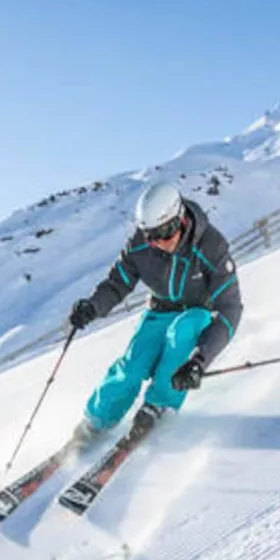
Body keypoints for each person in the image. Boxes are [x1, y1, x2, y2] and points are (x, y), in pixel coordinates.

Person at [67, 181, 244, 442]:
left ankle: (159, 404)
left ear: (180, 219)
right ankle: (97, 420)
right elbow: (118, 282)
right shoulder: (142, 244)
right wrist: (92, 307)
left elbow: (229, 309)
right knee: (133, 365)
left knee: (181, 334)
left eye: (165, 232)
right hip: (159, 310)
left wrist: (199, 361)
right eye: (151, 235)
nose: (158, 242)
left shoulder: (211, 246)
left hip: (197, 312)